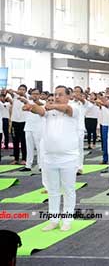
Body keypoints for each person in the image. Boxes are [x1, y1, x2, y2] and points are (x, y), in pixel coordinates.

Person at [26, 85, 79, 231]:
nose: (57, 97)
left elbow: (66, 109)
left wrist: (52, 105)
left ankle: (67, 220)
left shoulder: (74, 108)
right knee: (53, 190)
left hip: (68, 157)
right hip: (50, 157)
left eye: (60, 94)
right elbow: (40, 110)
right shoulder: (49, 110)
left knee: (68, 190)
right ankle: (54, 219)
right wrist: (31, 107)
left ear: (69, 96)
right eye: (55, 94)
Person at [19, 89, 45, 172]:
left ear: (40, 95)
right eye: (33, 94)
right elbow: (23, 108)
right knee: (29, 148)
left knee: (39, 147)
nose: (35, 95)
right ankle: (28, 165)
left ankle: (41, 165)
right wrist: (26, 102)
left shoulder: (43, 103)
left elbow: (38, 104)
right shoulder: (28, 102)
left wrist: (27, 102)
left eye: (37, 94)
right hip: (28, 127)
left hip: (39, 128)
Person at [7, 85, 29, 165]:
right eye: (20, 89)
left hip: (24, 121)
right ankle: (16, 158)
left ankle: (24, 159)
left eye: (23, 89)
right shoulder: (15, 96)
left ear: (26, 91)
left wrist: (18, 92)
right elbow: (10, 91)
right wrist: (11, 91)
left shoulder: (27, 97)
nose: (21, 91)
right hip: (15, 121)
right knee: (15, 141)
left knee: (23, 141)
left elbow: (23, 95)